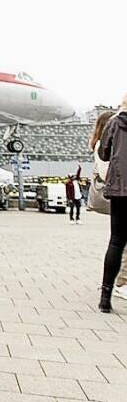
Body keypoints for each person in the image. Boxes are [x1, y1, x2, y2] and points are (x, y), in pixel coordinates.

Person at [99, 96, 127, 313]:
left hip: (120, 188)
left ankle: (105, 298)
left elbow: (104, 153)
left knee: (116, 241)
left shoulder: (115, 122)